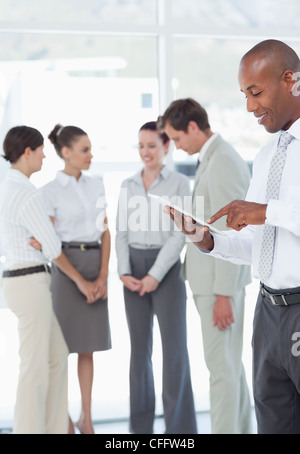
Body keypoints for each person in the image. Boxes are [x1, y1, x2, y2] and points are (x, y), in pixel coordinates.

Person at [166, 39, 300, 435]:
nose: (249, 107)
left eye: (256, 93)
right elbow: (260, 243)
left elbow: (268, 218)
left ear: (290, 80)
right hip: (267, 313)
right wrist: (210, 242)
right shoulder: (265, 156)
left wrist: (265, 211)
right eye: (244, 95)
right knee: (272, 423)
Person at [158, 99, 252, 434]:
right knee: (230, 367)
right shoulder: (214, 158)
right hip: (213, 283)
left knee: (221, 371)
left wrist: (224, 293)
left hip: (217, 287)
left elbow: (232, 229)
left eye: (177, 138)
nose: (177, 146)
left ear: (194, 127)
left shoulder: (223, 161)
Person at [0, 125, 98, 434]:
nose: (45, 155)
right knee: (34, 369)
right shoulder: (26, 192)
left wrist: (46, 237)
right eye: (41, 150)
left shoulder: (9, 186)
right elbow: (53, 246)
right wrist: (49, 238)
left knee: (56, 358)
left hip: (24, 280)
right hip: (29, 282)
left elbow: (46, 240)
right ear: (27, 152)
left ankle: (56, 429)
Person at [115, 121, 197, 434]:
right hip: (132, 268)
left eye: (152, 145)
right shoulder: (127, 185)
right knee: (139, 353)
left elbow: (180, 236)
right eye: (141, 146)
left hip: (166, 270)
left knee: (174, 351)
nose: (145, 152)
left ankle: (180, 432)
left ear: (167, 146)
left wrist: (154, 275)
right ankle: (140, 431)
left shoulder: (178, 183)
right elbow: (120, 232)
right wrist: (124, 271)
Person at [38, 124, 112, 434]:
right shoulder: (49, 192)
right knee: (60, 350)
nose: (90, 155)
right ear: (65, 152)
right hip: (65, 268)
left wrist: (103, 275)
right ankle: (62, 419)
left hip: (95, 264)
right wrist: (80, 281)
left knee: (87, 347)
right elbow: (50, 244)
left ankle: (87, 417)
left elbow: (105, 230)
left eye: (91, 149)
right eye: (85, 150)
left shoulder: (96, 185)